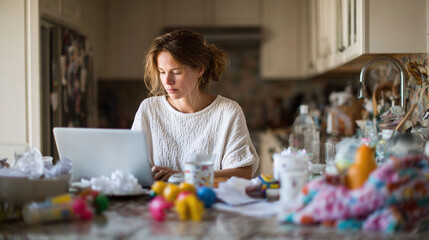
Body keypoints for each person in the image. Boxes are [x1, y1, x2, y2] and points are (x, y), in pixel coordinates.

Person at [131, 29, 259, 181]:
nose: (167, 81)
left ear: (199, 69)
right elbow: (131, 165)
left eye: (176, 72)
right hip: (159, 202)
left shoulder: (228, 112)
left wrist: (183, 176)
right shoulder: (149, 109)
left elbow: (242, 173)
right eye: (162, 72)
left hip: (209, 202)